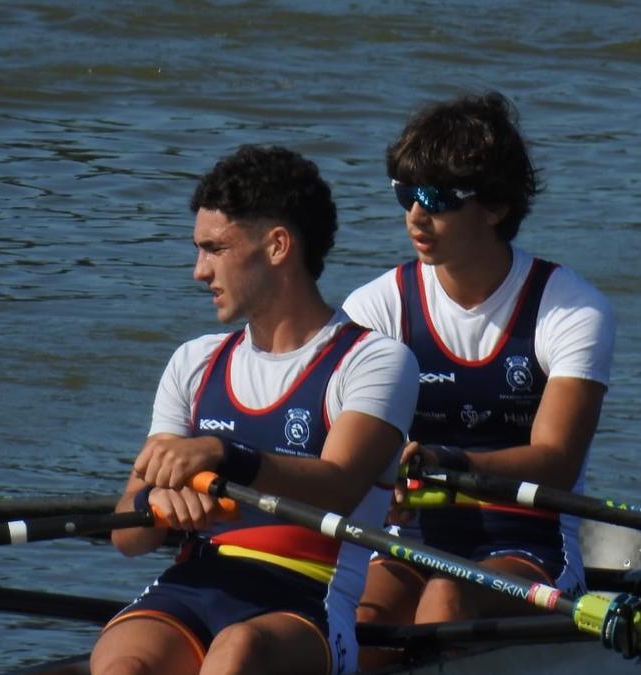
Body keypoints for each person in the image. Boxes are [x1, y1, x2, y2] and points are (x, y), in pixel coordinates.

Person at [90, 145, 419, 675]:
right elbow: (126, 536)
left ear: (277, 246)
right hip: (194, 583)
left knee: (238, 652)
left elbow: (339, 486)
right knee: (121, 665)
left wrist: (224, 456)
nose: (200, 271)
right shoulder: (193, 363)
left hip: (307, 595)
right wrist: (158, 502)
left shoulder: (375, 361)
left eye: (215, 249)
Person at [344, 92, 615, 664]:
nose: (416, 214)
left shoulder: (569, 309)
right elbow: (340, 443)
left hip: (528, 543)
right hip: (408, 537)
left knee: (446, 594)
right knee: (354, 620)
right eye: (404, 192)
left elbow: (558, 459)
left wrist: (453, 462)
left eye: (438, 198)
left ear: (494, 207)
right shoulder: (376, 308)